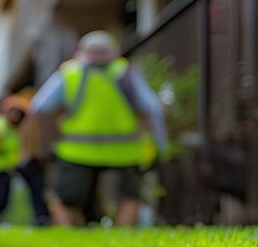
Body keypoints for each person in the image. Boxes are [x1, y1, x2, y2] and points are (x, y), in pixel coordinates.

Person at [27, 31, 166, 227]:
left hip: (77, 151)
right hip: (124, 151)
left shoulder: (70, 74)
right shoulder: (125, 72)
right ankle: (121, 242)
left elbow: (39, 107)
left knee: (68, 200)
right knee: (129, 196)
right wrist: (160, 145)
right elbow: (153, 108)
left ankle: (72, 242)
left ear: (80, 52)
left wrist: (42, 144)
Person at [0, 94, 48, 247]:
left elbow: (24, 151)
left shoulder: (18, 128)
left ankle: (41, 218)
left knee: (2, 205)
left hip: (9, 170)